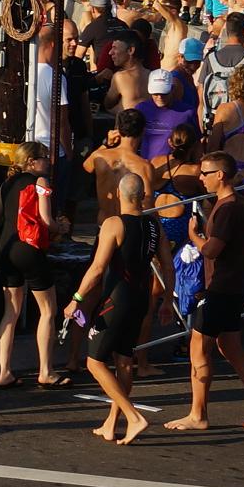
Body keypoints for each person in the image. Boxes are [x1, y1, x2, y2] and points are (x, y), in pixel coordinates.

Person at [167, 150, 244, 431]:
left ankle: (198, 414)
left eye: (205, 173)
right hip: (234, 286)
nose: (201, 178)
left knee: (198, 348)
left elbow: (211, 250)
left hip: (221, 288)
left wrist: (194, 235)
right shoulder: (237, 205)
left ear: (220, 175)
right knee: (230, 347)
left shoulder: (227, 208)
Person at [69, 171, 160, 444]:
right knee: (124, 361)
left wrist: (77, 298)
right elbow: (166, 265)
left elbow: (98, 268)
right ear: (143, 196)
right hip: (141, 297)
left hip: (117, 299)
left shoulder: (113, 224)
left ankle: (133, 417)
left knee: (94, 362)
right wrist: (166, 300)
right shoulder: (154, 225)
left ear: (119, 194)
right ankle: (111, 423)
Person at [0, 142, 65, 389]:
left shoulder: (6, 185)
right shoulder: (40, 182)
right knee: (48, 310)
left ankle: (4, 372)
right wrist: (61, 228)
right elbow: (46, 220)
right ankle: (46, 371)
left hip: (7, 249)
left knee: (10, 311)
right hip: (30, 248)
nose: (48, 161)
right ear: (32, 161)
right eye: (44, 157)